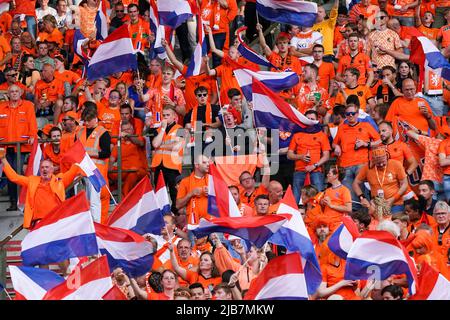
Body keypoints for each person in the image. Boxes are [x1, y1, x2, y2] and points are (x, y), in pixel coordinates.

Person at [0, 148, 79, 229]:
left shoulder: (60, 180)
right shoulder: (32, 180)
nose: (44, 169)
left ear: (52, 169)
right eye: (42, 167)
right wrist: (3, 159)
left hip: (55, 222)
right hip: (38, 223)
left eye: (47, 167)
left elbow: (74, 170)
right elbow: (14, 177)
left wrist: (80, 156)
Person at [332, 102, 381, 205]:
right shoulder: (341, 127)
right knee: (350, 196)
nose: (350, 116)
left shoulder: (366, 125)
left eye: (353, 113)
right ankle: (354, 219)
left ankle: (366, 216)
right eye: (348, 114)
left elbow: (380, 141)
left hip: (362, 164)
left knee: (362, 191)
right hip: (345, 165)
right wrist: (336, 147)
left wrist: (366, 144)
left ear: (358, 114)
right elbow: (334, 143)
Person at [0, 84, 37, 211]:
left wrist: (32, 135)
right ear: (8, 94)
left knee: (17, 171)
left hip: (21, 147)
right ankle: (13, 201)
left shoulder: (28, 106)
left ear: (21, 93)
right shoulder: (1, 107)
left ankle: (21, 200)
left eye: (16, 91)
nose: (14, 93)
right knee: (9, 173)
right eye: (12, 91)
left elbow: (32, 123)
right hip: (4, 147)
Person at [77, 104, 112, 223]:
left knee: (94, 203)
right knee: (83, 203)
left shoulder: (103, 133)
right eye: (84, 120)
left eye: (88, 120)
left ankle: (97, 225)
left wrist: (88, 153)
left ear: (95, 118)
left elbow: (106, 153)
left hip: (96, 173)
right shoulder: (80, 132)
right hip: (81, 172)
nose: (86, 123)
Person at [288, 110, 331, 202]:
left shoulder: (322, 135)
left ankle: (319, 215)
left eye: (312, 119)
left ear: (317, 121)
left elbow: (326, 156)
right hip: (299, 170)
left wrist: (314, 166)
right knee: (296, 198)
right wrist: (301, 157)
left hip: (316, 171)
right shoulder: (297, 134)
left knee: (319, 197)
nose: (310, 120)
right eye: (307, 118)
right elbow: (289, 154)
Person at [353, 146, 408, 214]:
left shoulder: (396, 164)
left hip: (395, 203)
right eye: (378, 163)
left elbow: (404, 184)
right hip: (377, 205)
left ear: (386, 157)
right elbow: (355, 183)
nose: (381, 165)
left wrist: (394, 198)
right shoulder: (367, 168)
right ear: (373, 160)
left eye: (383, 162)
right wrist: (362, 198)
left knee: (395, 223)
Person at [151, 106, 184, 213]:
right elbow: (155, 144)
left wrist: (162, 145)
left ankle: (177, 217)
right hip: (159, 166)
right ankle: (161, 216)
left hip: (173, 166)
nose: (165, 117)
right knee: (159, 193)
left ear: (174, 116)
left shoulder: (180, 129)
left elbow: (176, 147)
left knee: (175, 194)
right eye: (163, 115)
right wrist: (163, 129)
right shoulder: (158, 129)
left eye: (168, 115)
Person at [109, 120, 147, 198]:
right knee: (108, 171)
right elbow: (112, 160)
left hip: (139, 170)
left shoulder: (138, 139)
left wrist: (129, 136)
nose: (126, 132)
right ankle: (109, 194)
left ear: (133, 130)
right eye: (124, 130)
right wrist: (109, 172)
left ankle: (124, 196)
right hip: (124, 171)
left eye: (128, 129)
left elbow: (140, 143)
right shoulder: (119, 144)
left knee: (133, 171)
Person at [176, 155, 210, 227]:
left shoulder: (213, 180)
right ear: (197, 165)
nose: (208, 164)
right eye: (204, 162)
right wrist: (191, 193)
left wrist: (212, 192)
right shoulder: (185, 182)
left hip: (212, 222)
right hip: (193, 224)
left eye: (208, 162)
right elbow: (178, 205)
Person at [321, 166, 352, 231]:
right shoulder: (327, 190)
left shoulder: (344, 190)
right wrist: (322, 203)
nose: (327, 175)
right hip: (326, 224)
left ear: (336, 176)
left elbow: (349, 209)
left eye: (329, 173)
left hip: (337, 225)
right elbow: (324, 207)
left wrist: (331, 205)